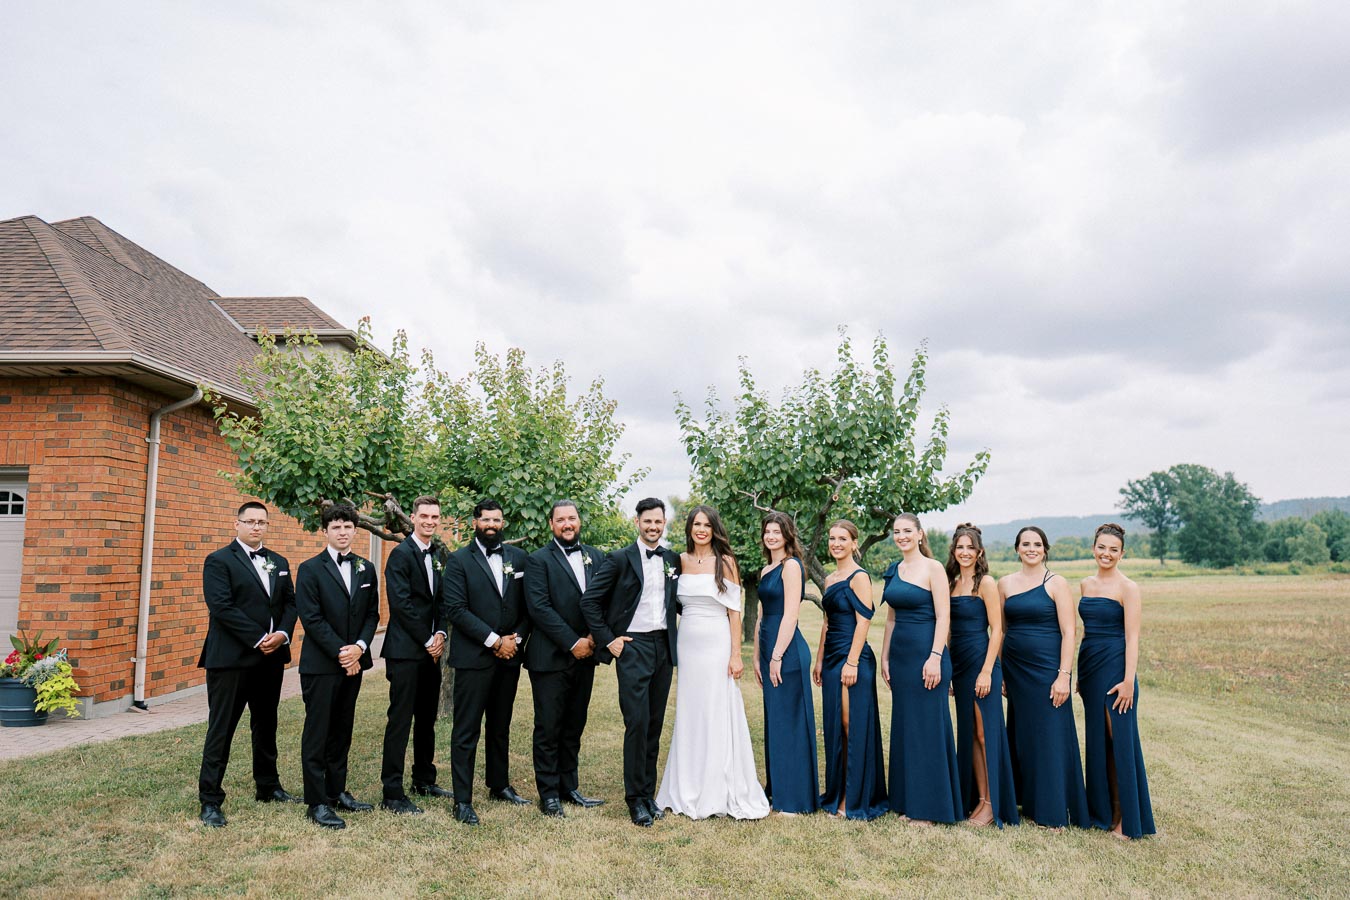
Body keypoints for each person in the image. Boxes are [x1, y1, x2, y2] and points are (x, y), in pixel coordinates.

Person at [655, 506, 770, 820]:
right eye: (696, 524)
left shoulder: (726, 562)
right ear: (689, 528)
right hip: (688, 641)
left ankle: (718, 787)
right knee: (691, 710)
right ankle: (686, 783)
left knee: (717, 707)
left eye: (706, 525)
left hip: (717, 640)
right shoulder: (680, 560)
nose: (701, 530)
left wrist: (736, 654)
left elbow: (734, 611)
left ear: (714, 528)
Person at [196, 501, 300, 827]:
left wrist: (282, 633)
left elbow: (290, 603)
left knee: (266, 725)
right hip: (231, 660)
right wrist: (259, 637)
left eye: (262, 522)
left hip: (270, 660)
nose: (256, 527)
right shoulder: (218, 561)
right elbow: (222, 607)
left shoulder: (279, 562)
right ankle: (211, 800)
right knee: (222, 728)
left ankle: (268, 787)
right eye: (250, 521)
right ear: (236, 524)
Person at [579, 497, 681, 828]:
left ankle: (648, 794)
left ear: (664, 524)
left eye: (658, 522)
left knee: (653, 723)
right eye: (648, 521)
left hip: (663, 647)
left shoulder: (672, 559)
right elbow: (590, 602)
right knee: (636, 722)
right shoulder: (619, 559)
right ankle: (634, 799)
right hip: (633, 646)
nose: (653, 527)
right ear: (636, 522)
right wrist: (610, 639)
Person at [442, 499, 533, 826]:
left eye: (497, 519)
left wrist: (514, 641)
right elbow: (456, 609)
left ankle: (499, 784)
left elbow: (528, 607)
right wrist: (495, 641)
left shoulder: (519, 558)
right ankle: (462, 801)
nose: (492, 524)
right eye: (486, 519)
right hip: (473, 658)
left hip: (510, 657)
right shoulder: (458, 561)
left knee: (500, 726)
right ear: (475, 522)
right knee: (466, 730)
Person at [295, 503, 380, 830]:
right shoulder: (310, 569)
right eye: (336, 527)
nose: (342, 532)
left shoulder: (365, 568)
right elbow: (311, 617)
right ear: (326, 531)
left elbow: (372, 613)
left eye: (347, 526)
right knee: (318, 733)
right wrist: (341, 652)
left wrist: (359, 648)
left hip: (354, 662)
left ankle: (337, 791)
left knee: (342, 730)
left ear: (355, 530)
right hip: (321, 665)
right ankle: (316, 802)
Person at [999, 525, 1089, 829]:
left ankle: (1052, 810)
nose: (1031, 548)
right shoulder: (1005, 584)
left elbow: (1069, 632)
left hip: (1047, 669)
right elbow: (1001, 630)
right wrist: (1000, 672)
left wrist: (1064, 675)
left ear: (1045, 549)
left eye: (1037, 544)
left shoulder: (1056, 583)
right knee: (1024, 735)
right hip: (1015, 669)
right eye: (1026, 544)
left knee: (1050, 735)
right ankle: (1028, 799)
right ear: (1017, 549)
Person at [523, 500, 607, 818]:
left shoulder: (595, 557)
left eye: (572, 518)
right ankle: (549, 794)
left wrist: (593, 638)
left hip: (586, 655)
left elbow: (603, 601)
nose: (567, 524)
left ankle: (568, 787)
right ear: (551, 525)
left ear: (579, 521)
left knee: (574, 724)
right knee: (548, 727)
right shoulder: (538, 560)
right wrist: (573, 642)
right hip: (550, 657)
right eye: (561, 520)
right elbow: (539, 608)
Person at [880, 513, 963, 824]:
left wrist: (935, 656)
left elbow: (944, 617)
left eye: (906, 531)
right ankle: (907, 801)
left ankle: (930, 808)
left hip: (928, 656)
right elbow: (891, 619)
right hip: (900, 657)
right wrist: (886, 657)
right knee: (906, 728)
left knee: (928, 728)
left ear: (920, 534)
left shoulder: (933, 568)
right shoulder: (895, 570)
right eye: (896, 531)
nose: (901, 536)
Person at [1078, 523, 1155, 839]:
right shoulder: (1085, 584)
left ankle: (1128, 821)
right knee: (1100, 742)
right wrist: (1081, 675)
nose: (1106, 554)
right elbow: (1085, 633)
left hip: (1116, 667)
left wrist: (1128, 681)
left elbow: (1133, 637)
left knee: (1120, 741)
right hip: (1091, 668)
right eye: (1101, 547)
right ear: (1093, 548)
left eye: (1113, 549)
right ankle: (1106, 812)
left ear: (1122, 553)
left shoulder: (1129, 588)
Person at [378, 495, 452, 816]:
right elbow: (401, 605)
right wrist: (426, 638)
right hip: (406, 651)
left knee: (426, 718)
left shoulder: (437, 554)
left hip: (431, 651)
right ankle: (392, 792)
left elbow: (442, 601)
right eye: (424, 516)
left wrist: (441, 634)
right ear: (412, 517)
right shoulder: (399, 554)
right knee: (400, 720)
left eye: (435, 517)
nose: (430, 521)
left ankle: (423, 778)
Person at [812, 520, 888, 820]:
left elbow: (864, 621)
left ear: (854, 543)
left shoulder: (860, 577)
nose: (836, 543)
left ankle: (854, 798)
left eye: (843, 538)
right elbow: (828, 622)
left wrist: (852, 662)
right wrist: (819, 660)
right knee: (834, 728)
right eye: (832, 538)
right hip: (831, 659)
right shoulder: (830, 579)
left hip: (852, 658)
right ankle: (837, 791)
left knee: (850, 725)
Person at [945, 523, 1018, 827]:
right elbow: (947, 630)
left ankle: (993, 804)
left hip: (981, 661)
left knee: (985, 733)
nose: (964, 552)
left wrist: (988, 670)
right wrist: (947, 668)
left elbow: (998, 629)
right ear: (954, 551)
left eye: (970, 548)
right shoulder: (949, 584)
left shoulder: (985, 583)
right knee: (970, 734)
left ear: (980, 552)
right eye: (960, 547)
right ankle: (979, 799)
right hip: (959, 665)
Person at [752, 512, 820, 815]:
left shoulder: (791, 566)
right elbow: (762, 614)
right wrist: (757, 656)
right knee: (776, 723)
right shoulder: (766, 568)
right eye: (768, 531)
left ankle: (795, 798)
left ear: (787, 535)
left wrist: (777, 656)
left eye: (777, 532)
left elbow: (790, 614)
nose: (771, 536)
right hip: (768, 649)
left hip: (788, 651)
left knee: (791, 722)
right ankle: (777, 790)